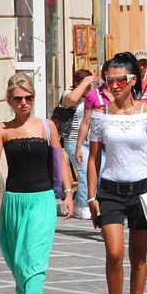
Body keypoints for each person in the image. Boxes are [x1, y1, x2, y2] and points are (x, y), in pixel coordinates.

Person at [87, 52, 147, 294]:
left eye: (119, 79)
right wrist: (91, 195)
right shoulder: (100, 115)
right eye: (109, 79)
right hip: (109, 190)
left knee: (139, 256)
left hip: (143, 190)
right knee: (114, 252)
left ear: (132, 80)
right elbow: (93, 159)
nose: (113, 84)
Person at [0, 73, 74, 294]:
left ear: (33, 98)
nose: (24, 102)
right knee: (16, 258)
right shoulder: (2, 129)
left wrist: (68, 193)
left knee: (34, 257)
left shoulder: (47, 126)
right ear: (9, 100)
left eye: (28, 97)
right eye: (18, 98)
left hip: (42, 198)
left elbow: (61, 161)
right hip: (13, 199)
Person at [62, 69, 97, 219]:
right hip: (73, 140)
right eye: (86, 85)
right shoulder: (68, 94)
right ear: (77, 83)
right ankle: (84, 205)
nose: (89, 89)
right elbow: (70, 101)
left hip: (91, 140)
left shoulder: (91, 96)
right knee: (84, 172)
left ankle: (77, 204)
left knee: (96, 171)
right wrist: (84, 84)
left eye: (91, 86)